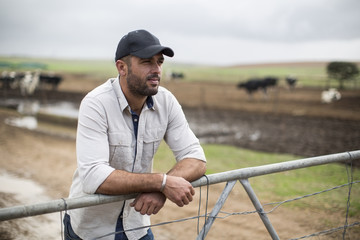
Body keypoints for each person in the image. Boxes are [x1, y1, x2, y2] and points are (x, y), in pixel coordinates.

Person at [64, 29, 207, 240]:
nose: (157, 69)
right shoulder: (96, 103)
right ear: (122, 67)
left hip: (137, 227)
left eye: (159, 62)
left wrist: (161, 187)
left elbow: (196, 157)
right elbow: (94, 176)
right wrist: (162, 183)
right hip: (91, 229)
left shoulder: (166, 101)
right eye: (147, 62)